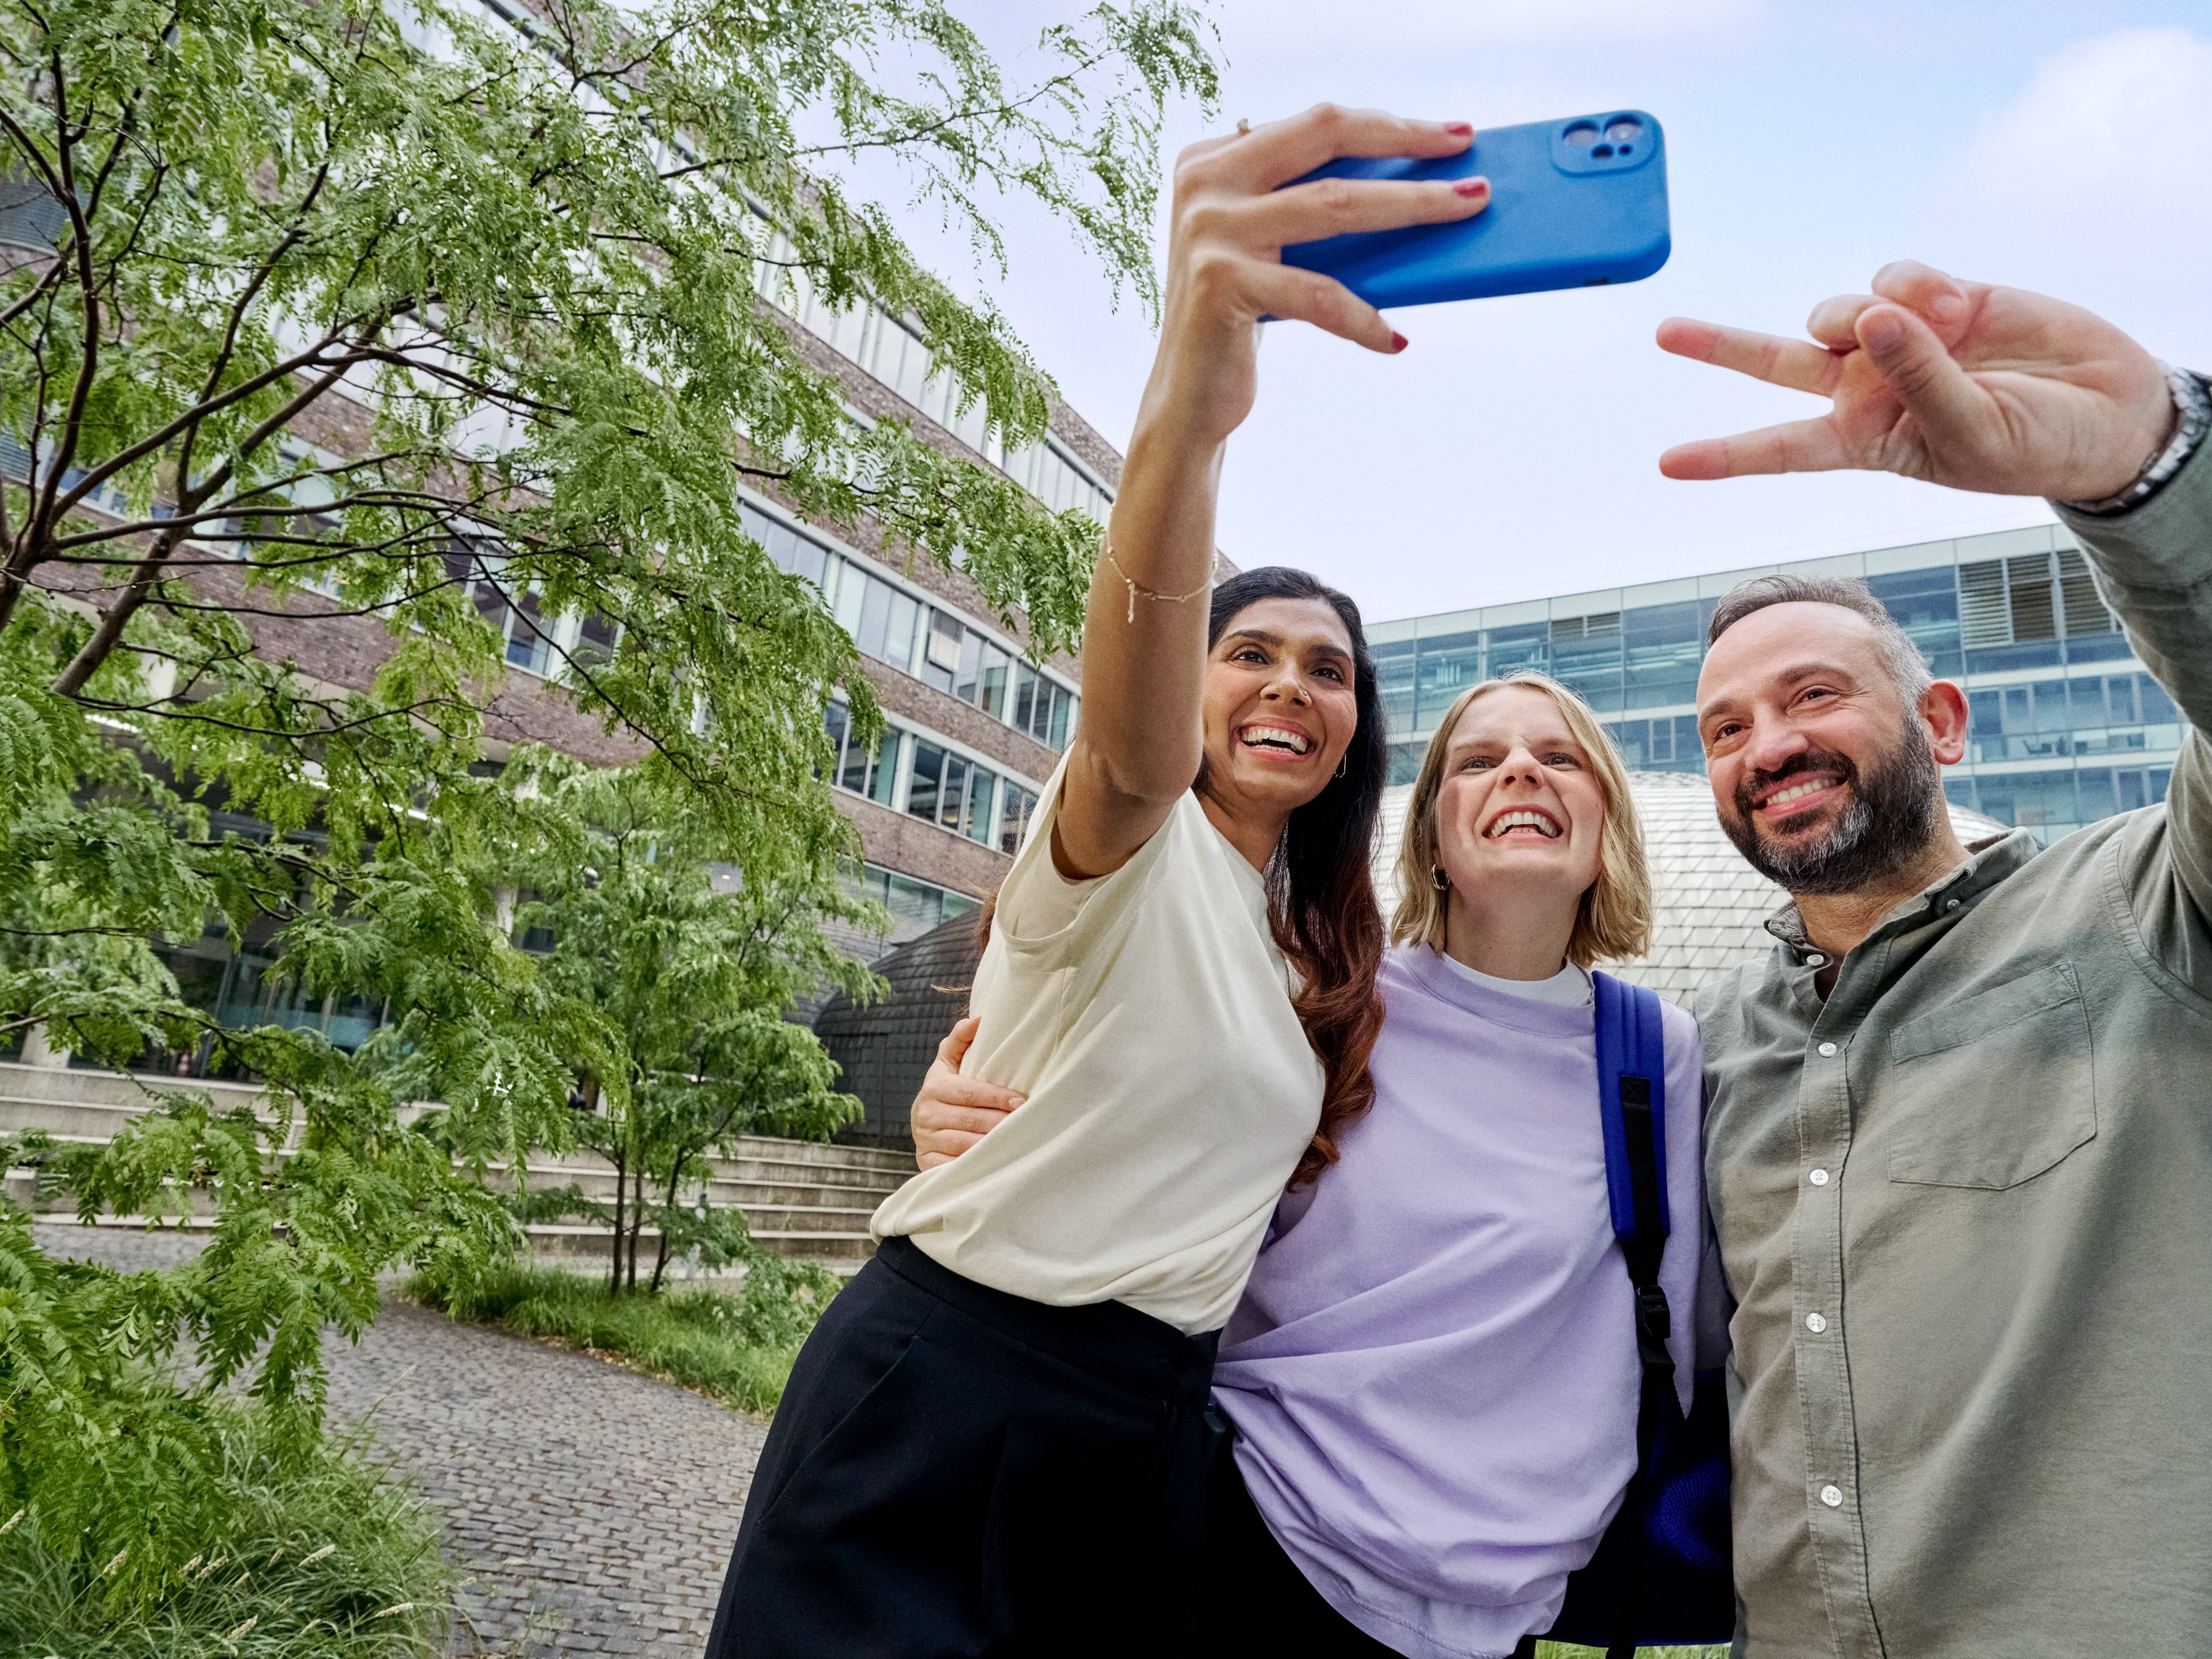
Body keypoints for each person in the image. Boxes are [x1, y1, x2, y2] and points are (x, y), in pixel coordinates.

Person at [704, 106, 1493, 1659]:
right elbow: (1126, 750)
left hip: (1142, 1436)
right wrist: (1188, 418)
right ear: (1187, 684)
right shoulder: (1127, 842)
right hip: (947, 1387)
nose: (1287, 685)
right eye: (1246, 652)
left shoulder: (1311, 956)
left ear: (1354, 732)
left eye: (1326, 670)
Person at [914, 669, 1725, 1659]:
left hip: (1498, 1614)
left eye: (1559, 759)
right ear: (1431, 837)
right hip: (1252, 1545)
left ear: (1607, 825)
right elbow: (1123, 1137)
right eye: (1480, 760)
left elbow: (1703, 1326)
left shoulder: (1662, 1054)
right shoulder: (1325, 998)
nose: (1522, 772)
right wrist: (963, 1118)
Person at [1656, 263, 2212, 1655]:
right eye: (1723, 728)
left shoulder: (2150, 905)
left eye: (1812, 694)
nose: (1764, 742)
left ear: (1943, 724)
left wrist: (2145, 470)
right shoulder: (1711, 1040)